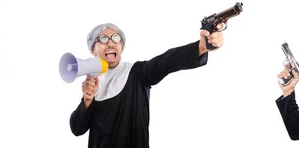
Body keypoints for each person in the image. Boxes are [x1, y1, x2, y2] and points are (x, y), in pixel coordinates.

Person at [69, 22, 225, 148]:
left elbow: (165, 62)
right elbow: (77, 129)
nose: (110, 43)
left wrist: (201, 47)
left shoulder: (137, 73)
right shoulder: (92, 84)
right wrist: (87, 100)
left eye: (116, 38)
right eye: (103, 39)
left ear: (122, 47)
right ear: (93, 50)